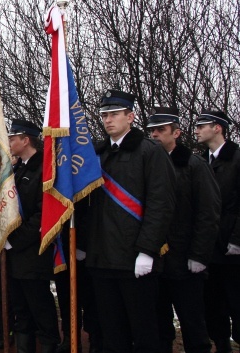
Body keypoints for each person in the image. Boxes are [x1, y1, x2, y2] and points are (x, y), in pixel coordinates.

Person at [82, 90, 176, 353]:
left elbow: (161, 205)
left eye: (114, 114)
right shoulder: (97, 155)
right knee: (112, 331)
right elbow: (88, 206)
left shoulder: (150, 152)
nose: (108, 120)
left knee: (144, 330)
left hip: (135, 259)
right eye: (104, 115)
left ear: (130, 116)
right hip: (102, 258)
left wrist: (147, 250)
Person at [147, 106, 220, 353]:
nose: (155, 135)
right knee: (159, 325)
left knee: (192, 324)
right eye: (152, 131)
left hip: (186, 259)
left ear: (176, 133)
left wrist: (199, 255)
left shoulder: (194, 165)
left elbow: (207, 213)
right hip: (155, 259)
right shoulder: (146, 164)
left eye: (161, 130)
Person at [6, 118, 60, 353]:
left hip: (33, 251)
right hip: (14, 253)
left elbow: (43, 214)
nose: (8, 142)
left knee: (39, 306)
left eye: (12, 138)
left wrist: (15, 241)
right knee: (20, 307)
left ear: (25, 140)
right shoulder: (17, 169)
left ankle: (49, 344)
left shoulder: (44, 169)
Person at [194, 109, 240, 353]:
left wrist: (237, 239)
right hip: (209, 246)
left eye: (203, 126)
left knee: (236, 300)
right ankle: (221, 343)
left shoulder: (237, 158)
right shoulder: (202, 161)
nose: (197, 130)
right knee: (213, 303)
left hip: (232, 248)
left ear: (218, 128)